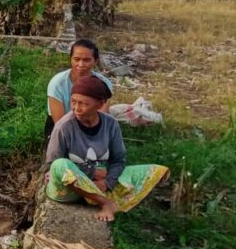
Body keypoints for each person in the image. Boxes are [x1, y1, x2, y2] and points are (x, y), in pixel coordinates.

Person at [45, 75, 167, 222]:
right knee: (60, 165)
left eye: (84, 104)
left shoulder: (110, 124)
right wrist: (91, 172)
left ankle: (98, 197)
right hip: (70, 190)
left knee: (155, 171)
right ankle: (106, 203)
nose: (77, 108)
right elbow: (53, 165)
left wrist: (107, 182)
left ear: (100, 104)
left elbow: (118, 160)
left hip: (101, 184)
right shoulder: (64, 126)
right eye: (73, 102)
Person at [45, 38, 113, 140]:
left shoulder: (103, 84)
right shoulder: (58, 83)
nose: (80, 65)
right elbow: (59, 121)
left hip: (91, 124)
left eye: (86, 60)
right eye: (76, 59)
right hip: (62, 126)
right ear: (71, 59)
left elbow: (102, 115)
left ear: (95, 61)